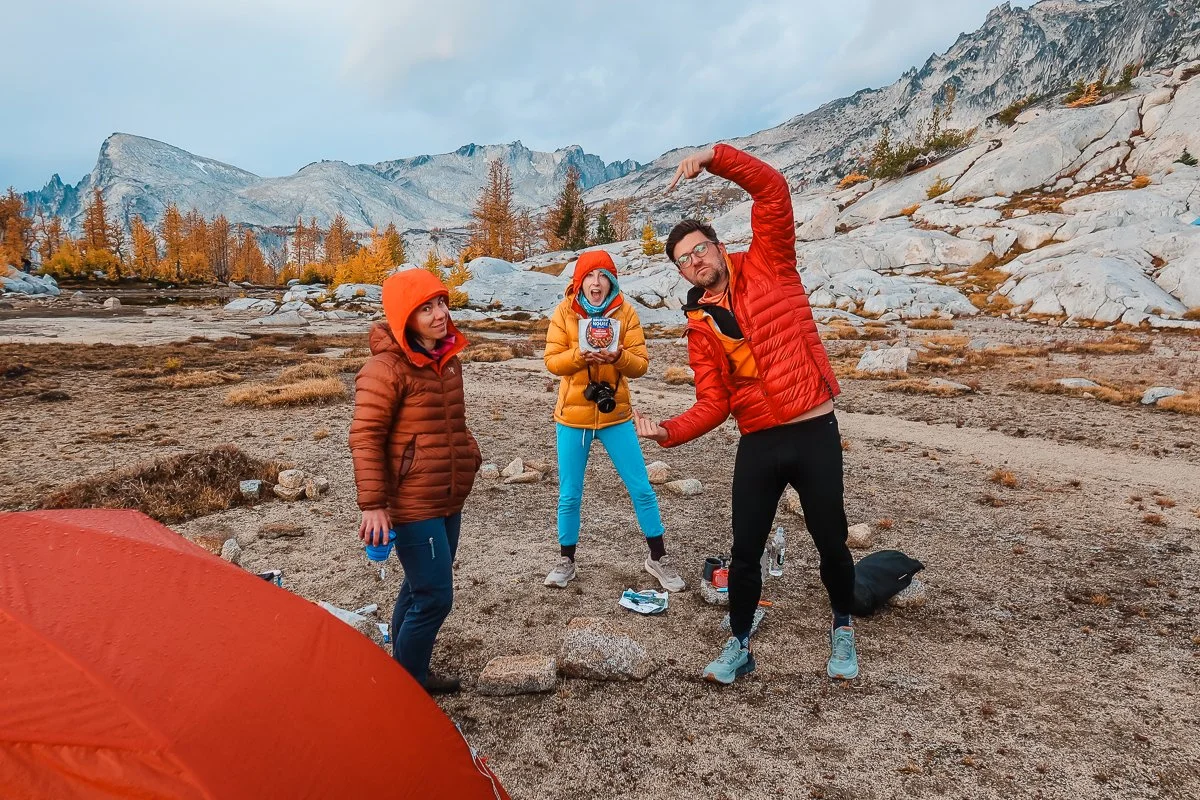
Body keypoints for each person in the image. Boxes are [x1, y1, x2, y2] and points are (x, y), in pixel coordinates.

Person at [633, 143, 859, 684]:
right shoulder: (700, 325)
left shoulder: (769, 262)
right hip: (758, 439)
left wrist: (712, 157)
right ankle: (738, 642)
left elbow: (772, 190)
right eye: (685, 260)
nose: (696, 262)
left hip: (812, 427)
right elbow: (714, 403)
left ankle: (844, 627)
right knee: (746, 547)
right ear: (681, 271)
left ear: (717, 245)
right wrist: (666, 430)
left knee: (831, 535)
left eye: (700, 249)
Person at [349, 268, 483, 693]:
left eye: (441, 302)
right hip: (411, 503)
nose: (440, 314)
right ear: (404, 317)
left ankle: (407, 673)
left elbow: (449, 423)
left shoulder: (447, 360)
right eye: (425, 309)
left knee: (418, 586)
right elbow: (365, 436)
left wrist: (468, 451)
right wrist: (374, 504)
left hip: (447, 495)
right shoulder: (384, 368)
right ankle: (408, 690)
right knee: (435, 597)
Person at [542, 250, 685, 593]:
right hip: (572, 419)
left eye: (603, 276)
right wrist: (579, 355)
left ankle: (658, 558)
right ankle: (566, 560)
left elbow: (641, 365)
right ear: (580, 282)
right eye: (589, 276)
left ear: (612, 281)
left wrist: (618, 356)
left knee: (642, 489)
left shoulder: (626, 313)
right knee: (570, 495)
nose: (596, 282)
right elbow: (551, 361)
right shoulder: (564, 313)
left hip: (616, 416)